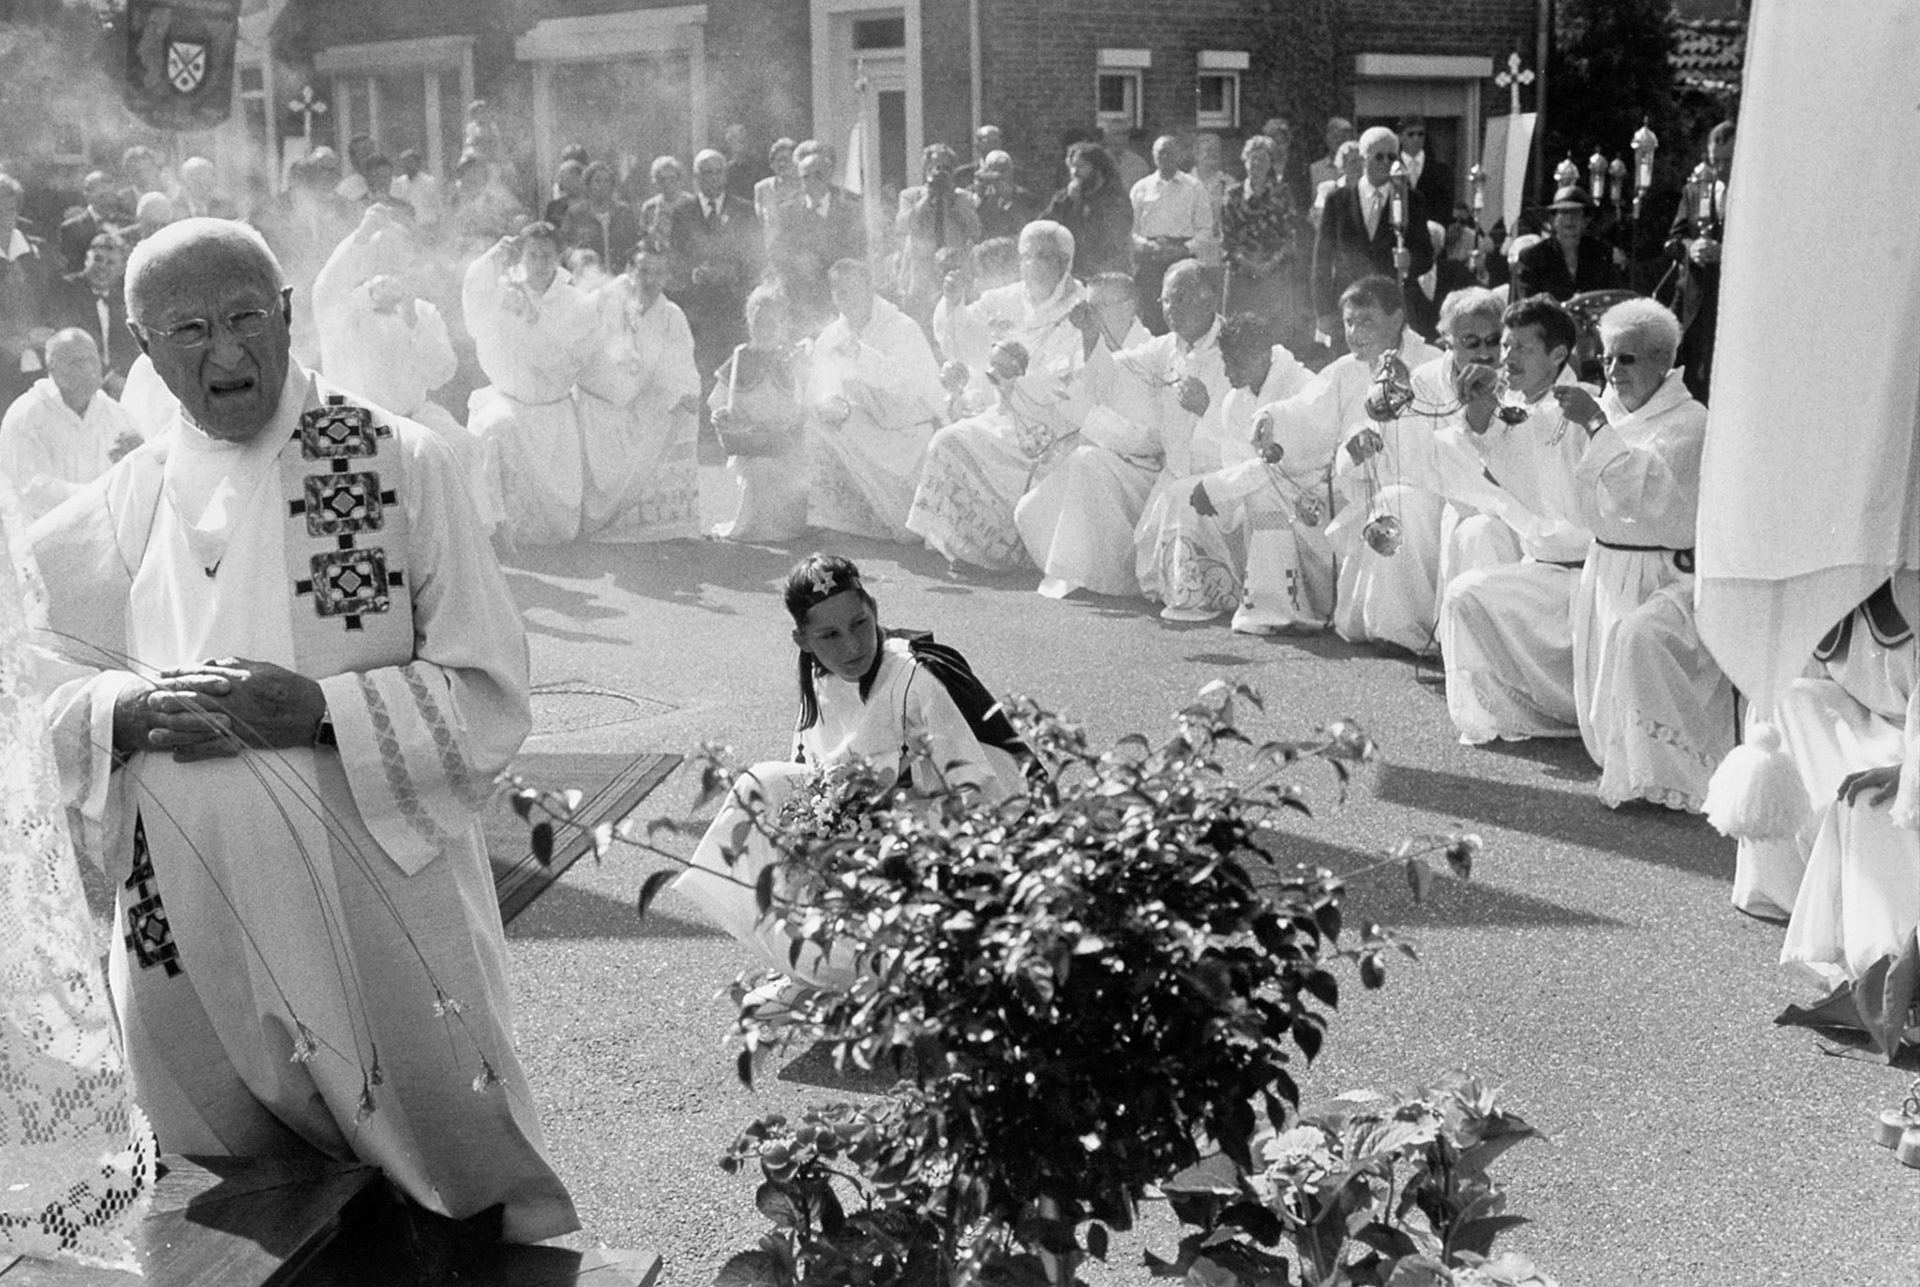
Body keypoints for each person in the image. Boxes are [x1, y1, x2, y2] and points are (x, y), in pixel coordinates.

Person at [29, 218, 576, 1241]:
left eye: (246, 317)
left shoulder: (398, 463)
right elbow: (26, 660)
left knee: (437, 1209)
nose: (227, 354)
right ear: (144, 350)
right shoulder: (128, 496)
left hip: (368, 910)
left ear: (287, 315)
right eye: (189, 329)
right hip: (182, 925)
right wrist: (122, 711)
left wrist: (322, 708)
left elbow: (491, 686)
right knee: (228, 1209)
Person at [674, 554, 1034, 984]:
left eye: (860, 624)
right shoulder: (822, 683)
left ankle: (887, 973)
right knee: (763, 785)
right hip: (857, 849)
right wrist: (821, 831)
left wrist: (888, 822)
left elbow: (982, 791)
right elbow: (810, 780)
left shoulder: (916, 678)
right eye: (829, 635)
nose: (851, 646)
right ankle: (814, 966)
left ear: (875, 609)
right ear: (803, 640)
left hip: (932, 851)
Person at [1551, 297, 1729, 811]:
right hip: (1607, 565)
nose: (1612, 370)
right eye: (1606, 358)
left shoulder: (1689, 422)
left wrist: (1597, 431)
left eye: (1626, 359)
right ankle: (1623, 758)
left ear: (1662, 361)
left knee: (1639, 646)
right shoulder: (1602, 409)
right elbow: (1571, 492)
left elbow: (1656, 501)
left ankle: (1661, 774)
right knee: (1606, 694)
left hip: (1663, 572)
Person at [1437, 296, 1601, 743]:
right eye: (1505, 347)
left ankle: (1567, 714)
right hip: (1542, 569)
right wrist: (1477, 401)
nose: (1507, 358)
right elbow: (1481, 440)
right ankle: (1501, 716)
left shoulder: (1587, 407)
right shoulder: (1514, 406)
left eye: (1521, 349)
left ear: (1558, 355)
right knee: (1466, 594)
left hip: (1590, 574)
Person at [1330, 286, 1519, 655]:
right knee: (1397, 501)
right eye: (1470, 341)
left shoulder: (1516, 374)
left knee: (1478, 527)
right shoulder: (1424, 379)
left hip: (1506, 502)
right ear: (1448, 342)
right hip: (1440, 495)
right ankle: (1401, 629)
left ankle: (1483, 645)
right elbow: (1405, 459)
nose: (1484, 351)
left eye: (1493, 340)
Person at [909, 221, 1089, 570]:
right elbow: (958, 338)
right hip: (1000, 411)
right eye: (1024, 256)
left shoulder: (1081, 308)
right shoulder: (1004, 299)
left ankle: (1015, 548)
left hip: (1054, 420)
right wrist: (954, 299)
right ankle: (968, 546)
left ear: (1065, 262)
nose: (1030, 265)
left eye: (1041, 257)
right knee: (948, 441)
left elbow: (1079, 375)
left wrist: (1024, 383)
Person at [310, 207, 482, 525]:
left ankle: (466, 541)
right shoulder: (343, 307)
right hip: (357, 425)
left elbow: (442, 374)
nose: (390, 266)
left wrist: (414, 323)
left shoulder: (421, 311)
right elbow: (327, 284)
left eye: (398, 257)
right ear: (366, 261)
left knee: (463, 445)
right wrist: (360, 236)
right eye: (381, 255)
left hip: (414, 417)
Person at [462, 222, 599, 546]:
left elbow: (563, 360)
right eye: (532, 255)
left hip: (552, 409)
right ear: (522, 257)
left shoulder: (573, 301)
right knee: (495, 426)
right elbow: (474, 308)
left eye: (546, 256)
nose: (539, 263)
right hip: (510, 398)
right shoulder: (506, 288)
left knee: (560, 529)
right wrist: (492, 258)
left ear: (558, 257)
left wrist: (533, 319)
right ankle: (496, 526)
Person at [805, 258, 945, 542]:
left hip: (907, 428)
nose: (848, 298)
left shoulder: (902, 327)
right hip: (865, 423)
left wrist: (861, 355)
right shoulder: (832, 335)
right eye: (840, 292)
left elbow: (910, 384)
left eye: (854, 289)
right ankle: (845, 518)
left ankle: (897, 518)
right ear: (833, 296)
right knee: (815, 423)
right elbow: (822, 386)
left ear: (870, 288)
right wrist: (829, 400)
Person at [576, 245, 702, 542]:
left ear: (666, 277)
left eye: (658, 273)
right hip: (599, 403)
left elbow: (681, 366)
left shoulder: (672, 315)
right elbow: (578, 340)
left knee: (674, 413)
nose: (650, 280)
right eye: (644, 271)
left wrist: (681, 394)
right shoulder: (606, 301)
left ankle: (648, 517)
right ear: (630, 272)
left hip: (644, 402)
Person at [0, 328, 140, 519]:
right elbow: (31, 491)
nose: (88, 369)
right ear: (52, 369)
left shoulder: (116, 414)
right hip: (43, 538)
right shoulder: (25, 416)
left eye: (92, 360)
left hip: (106, 532)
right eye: (76, 362)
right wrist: (100, 496)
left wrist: (139, 454)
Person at [1312, 127, 1436, 344]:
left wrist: (1410, 260)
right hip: (1348, 307)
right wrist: (1322, 311)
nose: (1386, 162)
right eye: (1379, 156)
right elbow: (1322, 260)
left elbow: (1425, 255)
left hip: (1391, 308)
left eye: (1392, 156)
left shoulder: (1411, 201)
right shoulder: (1338, 200)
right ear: (1363, 157)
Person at [712, 285, 808, 541]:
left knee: (781, 466)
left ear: (782, 324)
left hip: (783, 444)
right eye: (759, 322)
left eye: (771, 323)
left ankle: (783, 525)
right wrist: (724, 416)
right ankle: (755, 527)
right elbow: (718, 399)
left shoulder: (790, 358)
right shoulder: (740, 357)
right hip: (748, 445)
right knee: (759, 467)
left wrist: (788, 425)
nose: (764, 330)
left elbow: (802, 403)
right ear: (749, 322)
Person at [681, 147, 762, 412]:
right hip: (700, 315)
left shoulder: (744, 210)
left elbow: (756, 258)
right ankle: (707, 438)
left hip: (733, 310)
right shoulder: (684, 213)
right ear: (696, 177)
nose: (712, 178)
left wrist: (733, 274)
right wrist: (693, 273)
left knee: (735, 375)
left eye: (718, 172)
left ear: (725, 175)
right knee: (705, 377)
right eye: (705, 173)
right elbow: (676, 260)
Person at [1667, 121, 1734, 403]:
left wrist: (1727, 252)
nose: (1720, 168)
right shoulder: (1696, 191)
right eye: (1714, 160)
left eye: (1727, 161)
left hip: (1730, 297)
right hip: (1696, 296)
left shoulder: (1756, 193)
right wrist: (1691, 247)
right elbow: (1675, 237)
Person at [770, 142, 866, 337]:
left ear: (829, 174)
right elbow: (776, 252)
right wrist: (797, 262)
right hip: (802, 300)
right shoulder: (787, 211)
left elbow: (859, 249)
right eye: (806, 177)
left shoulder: (850, 206)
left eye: (819, 175)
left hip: (840, 297)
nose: (812, 181)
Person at [1221, 134, 1308, 348]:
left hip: (1274, 276)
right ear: (1245, 160)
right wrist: (1250, 265)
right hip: (1241, 277)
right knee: (1238, 336)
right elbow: (1227, 240)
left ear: (1270, 163)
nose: (1257, 164)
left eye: (1263, 159)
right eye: (1253, 158)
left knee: (1275, 338)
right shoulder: (1232, 195)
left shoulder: (1283, 193)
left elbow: (1290, 237)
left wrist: (1268, 265)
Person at [1128, 136, 1213, 334]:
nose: (1165, 157)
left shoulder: (1194, 187)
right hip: (1150, 258)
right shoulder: (1141, 188)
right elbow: (1129, 230)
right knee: (1149, 313)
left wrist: (1183, 249)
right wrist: (1146, 245)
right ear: (1153, 156)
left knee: (1183, 311)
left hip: (1182, 256)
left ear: (1179, 155)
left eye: (1170, 152)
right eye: (1161, 152)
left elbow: (1206, 229)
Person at [895, 143, 981, 325]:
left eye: (946, 168)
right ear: (926, 169)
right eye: (935, 167)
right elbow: (904, 226)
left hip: (954, 270)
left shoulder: (963, 197)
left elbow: (975, 230)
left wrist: (951, 199)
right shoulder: (910, 196)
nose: (940, 172)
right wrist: (928, 198)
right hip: (920, 274)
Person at [50, 231, 134, 395]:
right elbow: (73, 344)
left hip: (116, 388)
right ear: (86, 260)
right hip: (74, 383)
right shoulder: (66, 290)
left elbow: (128, 348)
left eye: (110, 262)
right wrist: (109, 378)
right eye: (98, 259)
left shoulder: (122, 300)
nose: (102, 267)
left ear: (121, 269)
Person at [1039, 142, 1132, 280]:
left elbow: (1114, 235)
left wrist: (1082, 205)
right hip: (1071, 272)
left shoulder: (1114, 198)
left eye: (1081, 166)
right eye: (1072, 166)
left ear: (1098, 169)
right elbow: (1044, 225)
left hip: (1105, 271)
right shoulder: (1063, 197)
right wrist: (1069, 202)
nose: (1075, 172)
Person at [1513, 186, 1622, 302]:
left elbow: (1613, 297)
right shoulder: (1533, 256)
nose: (1570, 218)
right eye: (1564, 212)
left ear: (1586, 220)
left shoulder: (1601, 252)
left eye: (1576, 212)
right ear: (1552, 220)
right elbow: (1528, 304)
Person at [0, 175, 52, 411]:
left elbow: (54, 301)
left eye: (9, 209)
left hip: (41, 360)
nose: (3, 217)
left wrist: (45, 334)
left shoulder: (37, 250)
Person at [560, 161, 641, 272]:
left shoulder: (624, 212)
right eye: (597, 181)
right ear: (588, 185)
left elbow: (636, 243)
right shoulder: (575, 214)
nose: (602, 185)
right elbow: (565, 247)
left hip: (621, 276)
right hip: (589, 278)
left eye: (606, 181)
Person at [971, 149, 1036, 242]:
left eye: (1003, 170)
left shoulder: (1023, 195)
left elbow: (1027, 219)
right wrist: (979, 193)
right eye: (994, 170)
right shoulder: (983, 196)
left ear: (1011, 170)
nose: (999, 175)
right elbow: (973, 218)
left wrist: (1009, 197)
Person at [1397, 115, 1453, 211]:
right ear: (1400, 137)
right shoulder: (1392, 168)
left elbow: (1446, 207)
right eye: (1411, 134)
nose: (1416, 138)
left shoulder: (1441, 171)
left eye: (1420, 134)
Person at [753, 137, 802, 233]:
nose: (782, 164)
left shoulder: (804, 186)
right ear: (771, 164)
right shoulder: (762, 188)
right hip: (771, 245)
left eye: (786, 160)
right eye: (778, 160)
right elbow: (760, 222)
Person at [1308, 117, 1357, 199]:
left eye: (1344, 138)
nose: (1339, 141)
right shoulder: (1315, 169)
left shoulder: (1358, 168)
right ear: (1327, 139)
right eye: (1335, 137)